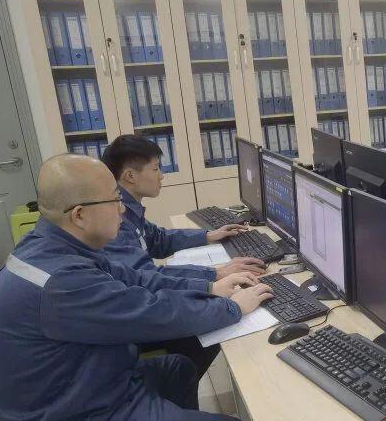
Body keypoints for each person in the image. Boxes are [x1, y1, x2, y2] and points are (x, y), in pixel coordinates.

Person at [0, 154, 273, 421]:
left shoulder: (52, 245)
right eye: (114, 200)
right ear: (80, 214)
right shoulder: (61, 282)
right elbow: (151, 313)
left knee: (177, 369)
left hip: (80, 392)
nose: (123, 209)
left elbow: (135, 279)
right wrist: (233, 306)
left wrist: (210, 285)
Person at [102, 135, 266, 379]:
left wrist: (208, 236)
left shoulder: (127, 210)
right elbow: (146, 278)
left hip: (137, 312)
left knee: (222, 308)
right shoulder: (116, 219)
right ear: (130, 176)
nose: (162, 176)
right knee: (218, 321)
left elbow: (157, 239)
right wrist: (215, 277)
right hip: (135, 327)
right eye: (156, 169)